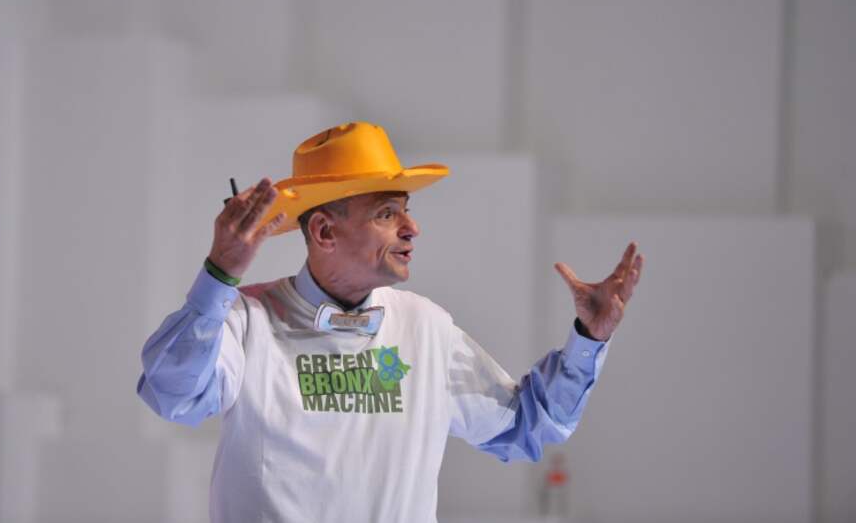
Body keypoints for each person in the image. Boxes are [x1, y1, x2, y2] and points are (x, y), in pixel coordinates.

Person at [136, 121, 644, 523]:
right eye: (386, 213)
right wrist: (219, 276)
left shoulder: (427, 328)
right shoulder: (245, 319)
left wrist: (588, 339)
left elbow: (527, 426)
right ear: (324, 230)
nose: (412, 228)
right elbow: (172, 395)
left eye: (407, 209)